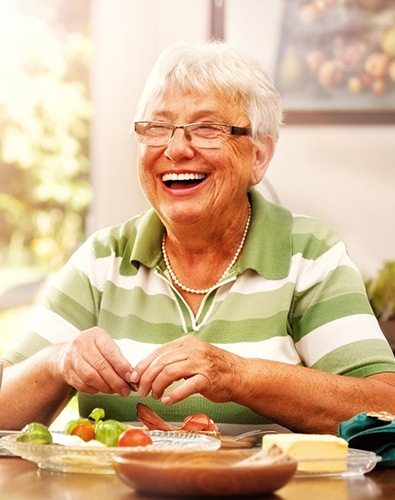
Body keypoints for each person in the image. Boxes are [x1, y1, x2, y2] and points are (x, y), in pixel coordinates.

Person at [1, 39, 395, 434]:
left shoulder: (309, 255)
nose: (175, 149)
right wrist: (58, 361)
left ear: (259, 156)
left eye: (207, 128)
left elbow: (386, 408)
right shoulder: (103, 259)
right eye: (157, 127)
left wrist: (237, 376)